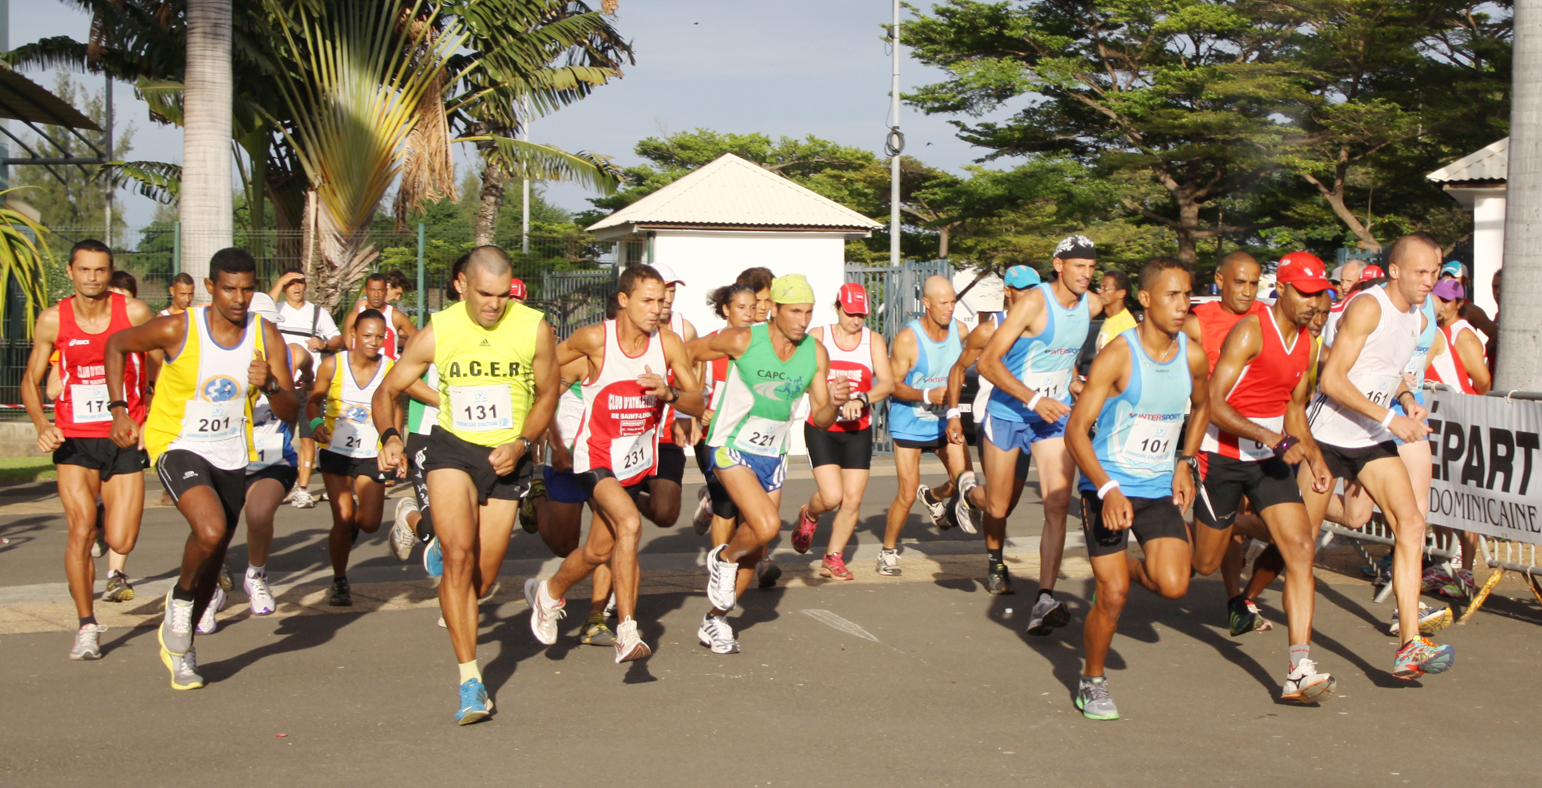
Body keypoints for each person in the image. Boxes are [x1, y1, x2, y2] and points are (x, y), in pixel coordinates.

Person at [372, 245, 558, 725]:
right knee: (458, 555)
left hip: (507, 456)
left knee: (484, 577)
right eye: (484, 294)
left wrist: (522, 443)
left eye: (501, 294)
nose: (494, 305)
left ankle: (422, 528)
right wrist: (390, 435)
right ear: (462, 285)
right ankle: (470, 680)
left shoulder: (533, 326)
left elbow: (548, 393)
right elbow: (389, 389)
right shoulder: (441, 329)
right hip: (452, 448)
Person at [106, 247, 298, 690]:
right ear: (210, 287)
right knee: (210, 530)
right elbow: (116, 344)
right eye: (229, 288)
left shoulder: (265, 335)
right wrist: (120, 409)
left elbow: (289, 408)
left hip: (231, 451)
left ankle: (183, 651)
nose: (239, 298)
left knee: (213, 554)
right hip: (178, 443)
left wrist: (268, 383)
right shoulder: (179, 326)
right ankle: (179, 599)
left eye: (248, 288)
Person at [526, 265, 703, 662]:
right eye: (648, 300)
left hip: (635, 460)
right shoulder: (594, 339)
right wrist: (546, 429)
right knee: (631, 523)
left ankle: (549, 592)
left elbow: (698, 402)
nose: (657, 309)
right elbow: (545, 373)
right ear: (623, 301)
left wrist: (669, 393)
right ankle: (626, 629)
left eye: (661, 301)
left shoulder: (669, 344)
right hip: (595, 456)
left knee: (596, 551)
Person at [1305, 233, 1455, 679]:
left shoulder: (1416, 314)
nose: (1430, 282)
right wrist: (1392, 422)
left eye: (1435, 272)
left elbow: (1390, 372)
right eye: (1421, 272)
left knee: (1410, 523)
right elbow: (1332, 380)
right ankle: (1300, 659)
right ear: (1394, 271)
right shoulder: (1369, 306)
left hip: (1369, 436)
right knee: (1298, 544)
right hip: (1328, 435)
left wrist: (1407, 398)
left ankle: (1410, 643)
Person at [1065, 256, 1209, 720]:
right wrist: (1106, 490)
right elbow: (1076, 430)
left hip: (1156, 486)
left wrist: (1185, 461)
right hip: (1106, 485)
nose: (1182, 304)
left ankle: (1120, 565)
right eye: (1172, 295)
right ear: (1145, 299)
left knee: (1175, 585)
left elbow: (1204, 407)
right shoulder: (1119, 354)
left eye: (1187, 294)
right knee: (1112, 596)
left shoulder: (1192, 354)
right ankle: (1092, 679)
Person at [1191, 252, 1339, 702]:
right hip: (1223, 456)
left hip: (1269, 461)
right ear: (1285, 290)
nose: (1315, 304)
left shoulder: (1309, 344)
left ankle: (1299, 668)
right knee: (1204, 565)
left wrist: (1315, 457)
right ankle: (1219, 523)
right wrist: (1272, 438)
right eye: (1307, 294)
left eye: (1322, 295)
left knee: (1300, 549)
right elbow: (1213, 404)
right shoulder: (1251, 331)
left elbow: (1294, 409)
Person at [687, 274, 844, 654]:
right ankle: (723, 558)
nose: (802, 321)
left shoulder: (814, 353)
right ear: (772, 309)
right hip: (730, 445)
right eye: (794, 311)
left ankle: (716, 619)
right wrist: (689, 403)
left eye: (808, 312)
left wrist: (835, 402)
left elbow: (821, 419)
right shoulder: (743, 339)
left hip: (772, 454)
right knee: (768, 524)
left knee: (758, 545)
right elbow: (688, 352)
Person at [22, 240, 155, 659]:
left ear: (110, 272)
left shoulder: (133, 314)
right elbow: (30, 380)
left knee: (120, 537)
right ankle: (86, 626)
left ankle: (105, 519)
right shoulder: (52, 320)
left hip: (124, 437)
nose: (92, 278)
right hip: (75, 437)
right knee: (79, 531)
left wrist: (150, 420)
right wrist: (43, 424)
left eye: (100, 270)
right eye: (85, 270)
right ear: (71, 271)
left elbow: (159, 369)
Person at [977, 235, 1107, 625]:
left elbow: (1063, 354)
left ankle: (1044, 599)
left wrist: (1075, 382)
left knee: (1056, 503)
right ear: (1058, 265)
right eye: (1078, 266)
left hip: (1053, 418)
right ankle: (968, 493)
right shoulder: (1034, 302)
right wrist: (1033, 398)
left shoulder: (1093, 304)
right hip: (1010, 413)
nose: (1086, 274)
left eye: (1091, 266)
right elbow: (987, 362)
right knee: (998, 506)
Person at [1180, 251, 1270, 634]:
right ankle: (1168, 534)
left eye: (1254, 283)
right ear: (1219, 280)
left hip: (1262, 446)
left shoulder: (1267, 319)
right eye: (1239, 282)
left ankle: (1238, 600)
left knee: (1280, 530)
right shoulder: (1198, 323)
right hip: (1214, 444)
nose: (1248, 292)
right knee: (1207, 558)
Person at [943, 265, 1041, 596]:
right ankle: (996, 563)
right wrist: (954, 414)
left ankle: (967, 493)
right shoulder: (989, 330)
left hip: (1030, 422)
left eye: (1035, 288)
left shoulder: (1044, 329)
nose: (1031, 295)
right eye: (1024, 289)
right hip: (993, 419)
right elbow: (958, 368)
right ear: (1009, 293)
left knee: (1005, 505)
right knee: (998, 507)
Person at [879, 275, 979, 577]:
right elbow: (890, 385)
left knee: (965, 481)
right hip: (909, 422)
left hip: (943, 421)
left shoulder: (960, 331)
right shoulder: (908, 339)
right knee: (907, 493)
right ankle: (888, 551)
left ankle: (934, 496)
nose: (950, 309)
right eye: (943, 303)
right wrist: (925, 394)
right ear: (926, 303)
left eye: (953, 302)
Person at [793, 283, 893, 579]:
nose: (856, 320)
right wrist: (829, 400)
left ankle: (832, 557)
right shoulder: (818, 338)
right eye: (850, 313)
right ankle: (809, 514)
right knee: (832, 496)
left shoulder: (872, 341)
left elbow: (886, 383)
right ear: (837, 307)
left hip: (857, 430)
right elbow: (806, 378)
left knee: (852, 499)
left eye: (861, 314)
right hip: (823, 427)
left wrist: (862, 399)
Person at [309, 309, 396, 607]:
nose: (373, 342)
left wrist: (394, 443)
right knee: (342, 518)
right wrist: (315, 424)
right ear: (354, 335)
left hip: (371, 452)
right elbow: (313, 401)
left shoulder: (390, 368)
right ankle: (339, 580)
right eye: (367, 335)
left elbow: (395, 406)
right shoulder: (333, 365)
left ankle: (354, 528)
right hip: (336, 452)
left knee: (370, 523)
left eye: (379, 337)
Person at [243, 338, 311, 618]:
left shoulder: (289, 353)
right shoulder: (217, 355)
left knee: (259, 515)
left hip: (272, 456)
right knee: (216, 527)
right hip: (226, 453)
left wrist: (307, 381)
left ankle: (256, 576)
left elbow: (305, 359)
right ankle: (211, 587)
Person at [690, 284, 758, 550]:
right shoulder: (709, 345)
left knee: (747, 504)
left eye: (753, 307)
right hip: (712, 435)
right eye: (741, 307)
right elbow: (692, 387)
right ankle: (718, 564)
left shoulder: (763, 345)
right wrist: (697, 414)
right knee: (726, 505)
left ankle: (745, 560)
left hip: (748, 436)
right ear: (726, 309)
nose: (749, 314)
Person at [270, 268, 345, 509]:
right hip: (280, 386)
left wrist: (323, 343)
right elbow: (259, 311)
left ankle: (302, 489)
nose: (297, 287)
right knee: (277, 436)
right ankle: (280, 485)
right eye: (291, 283)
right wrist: (279, 282)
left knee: (307, 436)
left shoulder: (317, 313)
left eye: (300, 282)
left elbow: (338, 339)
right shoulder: (276, 309)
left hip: (308, 387)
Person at [635, 262, 698, 530]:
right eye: (662, 291)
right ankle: (614, 495)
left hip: (666, 432)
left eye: (672, 290)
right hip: (629, 430)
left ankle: (623, 497)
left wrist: (688, 416)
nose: (668, 298)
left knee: (666, 514)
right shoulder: (625, 328)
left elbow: (696, 375)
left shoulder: (685, 330)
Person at [345, 272, 417, 360]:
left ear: (385, 291)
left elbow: (419, 340)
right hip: (360, 371)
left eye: (380, 290)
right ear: (365, 291)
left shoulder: (396, 316)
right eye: (372, 290)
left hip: (388, 372)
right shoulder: (355, 316)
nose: (376, 295)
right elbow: (346, 349)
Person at [1095, 270, 1136, 351]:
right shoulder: (1110, 319)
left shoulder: (1126, 325)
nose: (1099, 292)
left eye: (1105, 288)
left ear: (1121, 293)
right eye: (1099, 288)